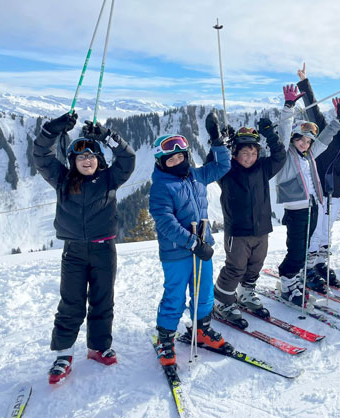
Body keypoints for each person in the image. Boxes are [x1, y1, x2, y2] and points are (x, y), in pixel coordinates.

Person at [33, 112, 136, 384]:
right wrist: (51, 130)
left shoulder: (109, 179)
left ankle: (98, 347)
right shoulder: (62, 179)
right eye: (80, 157)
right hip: (74, 252)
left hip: (104, 250)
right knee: (71, 302)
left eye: (91, 156)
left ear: (99, 160)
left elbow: (128, 158)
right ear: (73, 162)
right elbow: (41, 155)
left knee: (103, 299)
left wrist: (107, 136)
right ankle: (63, 355)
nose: (86, 160)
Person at [149, 112, 231, 367]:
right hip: (178, 253)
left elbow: (222, 166)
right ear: (162, 163)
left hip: (202, 248)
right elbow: (166, 223)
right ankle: (166, 338)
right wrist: (194, 243)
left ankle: (202, 329)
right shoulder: (161, 187)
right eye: (170, 159)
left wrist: (217, 141)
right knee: (174, 296)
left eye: (180, 156)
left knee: (204, 292)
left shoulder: (196, 176)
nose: (176, 161)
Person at [211, 118, 286, 326]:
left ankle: (245, 293)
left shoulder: (263, 167)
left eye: (253, 153)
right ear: (235, 153)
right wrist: (218, 141)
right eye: (245, 153)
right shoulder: (227, 170)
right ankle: (222, 301)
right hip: (238, 231)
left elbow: (280, 156)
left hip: (261, 229)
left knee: (256, 264)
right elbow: (212, 163)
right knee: (235, 267)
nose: (250, 157)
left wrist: (271, 134)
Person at [295, 64, 340, 288]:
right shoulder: (328, 130)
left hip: (337, 192)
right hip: (318, 190)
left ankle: (321, 263)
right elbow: (312, 108)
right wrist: (304, 82)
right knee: (314, 230)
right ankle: (309, 266)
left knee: (327, 231)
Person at [275, 80, 340, 305]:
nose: (304, 143)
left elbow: (323, 139)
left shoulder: (310, 155)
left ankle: (294, 277)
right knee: (296, 250)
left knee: (304, 250)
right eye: (300, 139)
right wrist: (288, 107)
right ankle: (286, 282)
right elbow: (283, 133)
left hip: (313, 207)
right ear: (293, 139)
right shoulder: (285, 155)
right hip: (296, 210)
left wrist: (338, 122)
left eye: (307, 140)